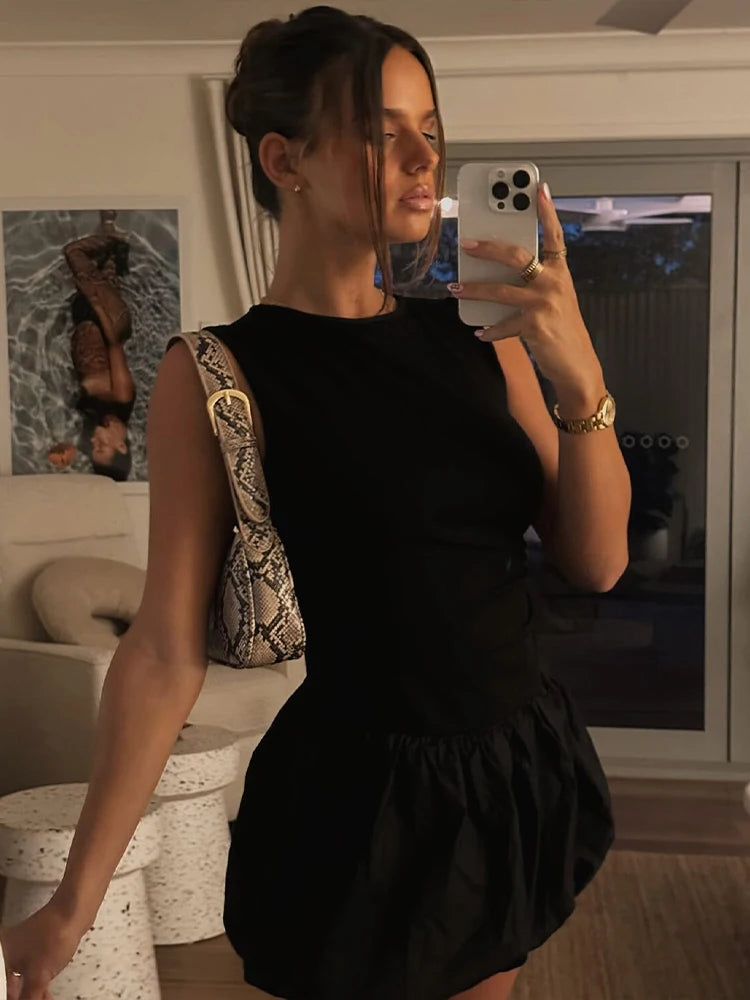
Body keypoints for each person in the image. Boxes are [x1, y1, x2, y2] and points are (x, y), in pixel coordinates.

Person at [0, 7, 631, 1000]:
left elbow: (597, 560)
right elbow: (163, 650)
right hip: (365, 804)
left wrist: (578, 370)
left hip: (513, 760)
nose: (424, 157)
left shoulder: (483, 340)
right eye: (384, 131)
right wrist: (75, 901)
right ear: (284, 159)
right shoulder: (219, 372)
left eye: (432, 128)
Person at [63, 211, 136, 481]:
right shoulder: (122, 398)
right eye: (101, 447)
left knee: (108, 271)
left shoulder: (95, 415)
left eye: (93, 447)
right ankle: (112, 234)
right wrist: (96, 305)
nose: (94, 441)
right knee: (73, 252)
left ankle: (115, 244)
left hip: (86, 322)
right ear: (121, 446)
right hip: (108, 320)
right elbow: (114, 345)